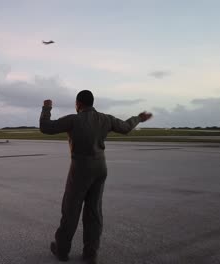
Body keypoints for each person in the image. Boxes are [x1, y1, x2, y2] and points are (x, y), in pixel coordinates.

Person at [40, 90, 152, 264]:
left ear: (78, 104)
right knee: (94, 211)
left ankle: (62, 250)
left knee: (71, 209)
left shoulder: (74, 119)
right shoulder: (105, 119)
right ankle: (90, 253)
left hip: (80, 170)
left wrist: (46, 108)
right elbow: (125, 127)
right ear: (92, 103)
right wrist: (138, 118)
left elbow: (46, 128)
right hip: (100, 168)